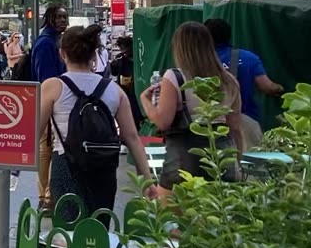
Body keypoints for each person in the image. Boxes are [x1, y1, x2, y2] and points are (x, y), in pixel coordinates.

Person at [39, 26, 154, 220]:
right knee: (99, 232)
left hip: (66, 166)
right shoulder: (113, 89)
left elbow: (34, 132)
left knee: (68, 236)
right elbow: (132, 138)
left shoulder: (52, 86)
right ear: (94, 54)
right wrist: (147, 181)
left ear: (62, 54)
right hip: (104, 168)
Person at [140, 22, 245, 190]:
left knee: (171, 213)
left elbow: (163, 121)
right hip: (222, 157)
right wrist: (237, 162)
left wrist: (145, 100)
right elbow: (235, 128)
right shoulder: (229, 80)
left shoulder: (175, 77)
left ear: (179, 48)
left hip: (183, 160)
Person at [204, 18, 284, 150]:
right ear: (228, 35)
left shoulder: (198, 61)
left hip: (209, 125)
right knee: (251, 165)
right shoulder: (248, 58)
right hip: (245, 123)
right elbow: (267, 87)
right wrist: (281, 88)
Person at [32, 5, 69, 209]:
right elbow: (46, 77)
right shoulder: (46, 43)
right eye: (59, 17)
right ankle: (46, 197)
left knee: (49, 148)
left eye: (65, 17)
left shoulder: (55, 41)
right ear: (50, 19)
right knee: (46, 148)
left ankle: (47, 195)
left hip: (55, 98)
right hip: (49, 100)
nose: (63, 20)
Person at [109, 35, 144, 129]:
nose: (123, 52)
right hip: (124, 90)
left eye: (125, 49)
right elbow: (114, 72)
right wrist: (113, 65)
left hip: (135, 89)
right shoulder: (120, 58)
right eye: (121, 49)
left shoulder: (138, 57)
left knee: (137, 112)